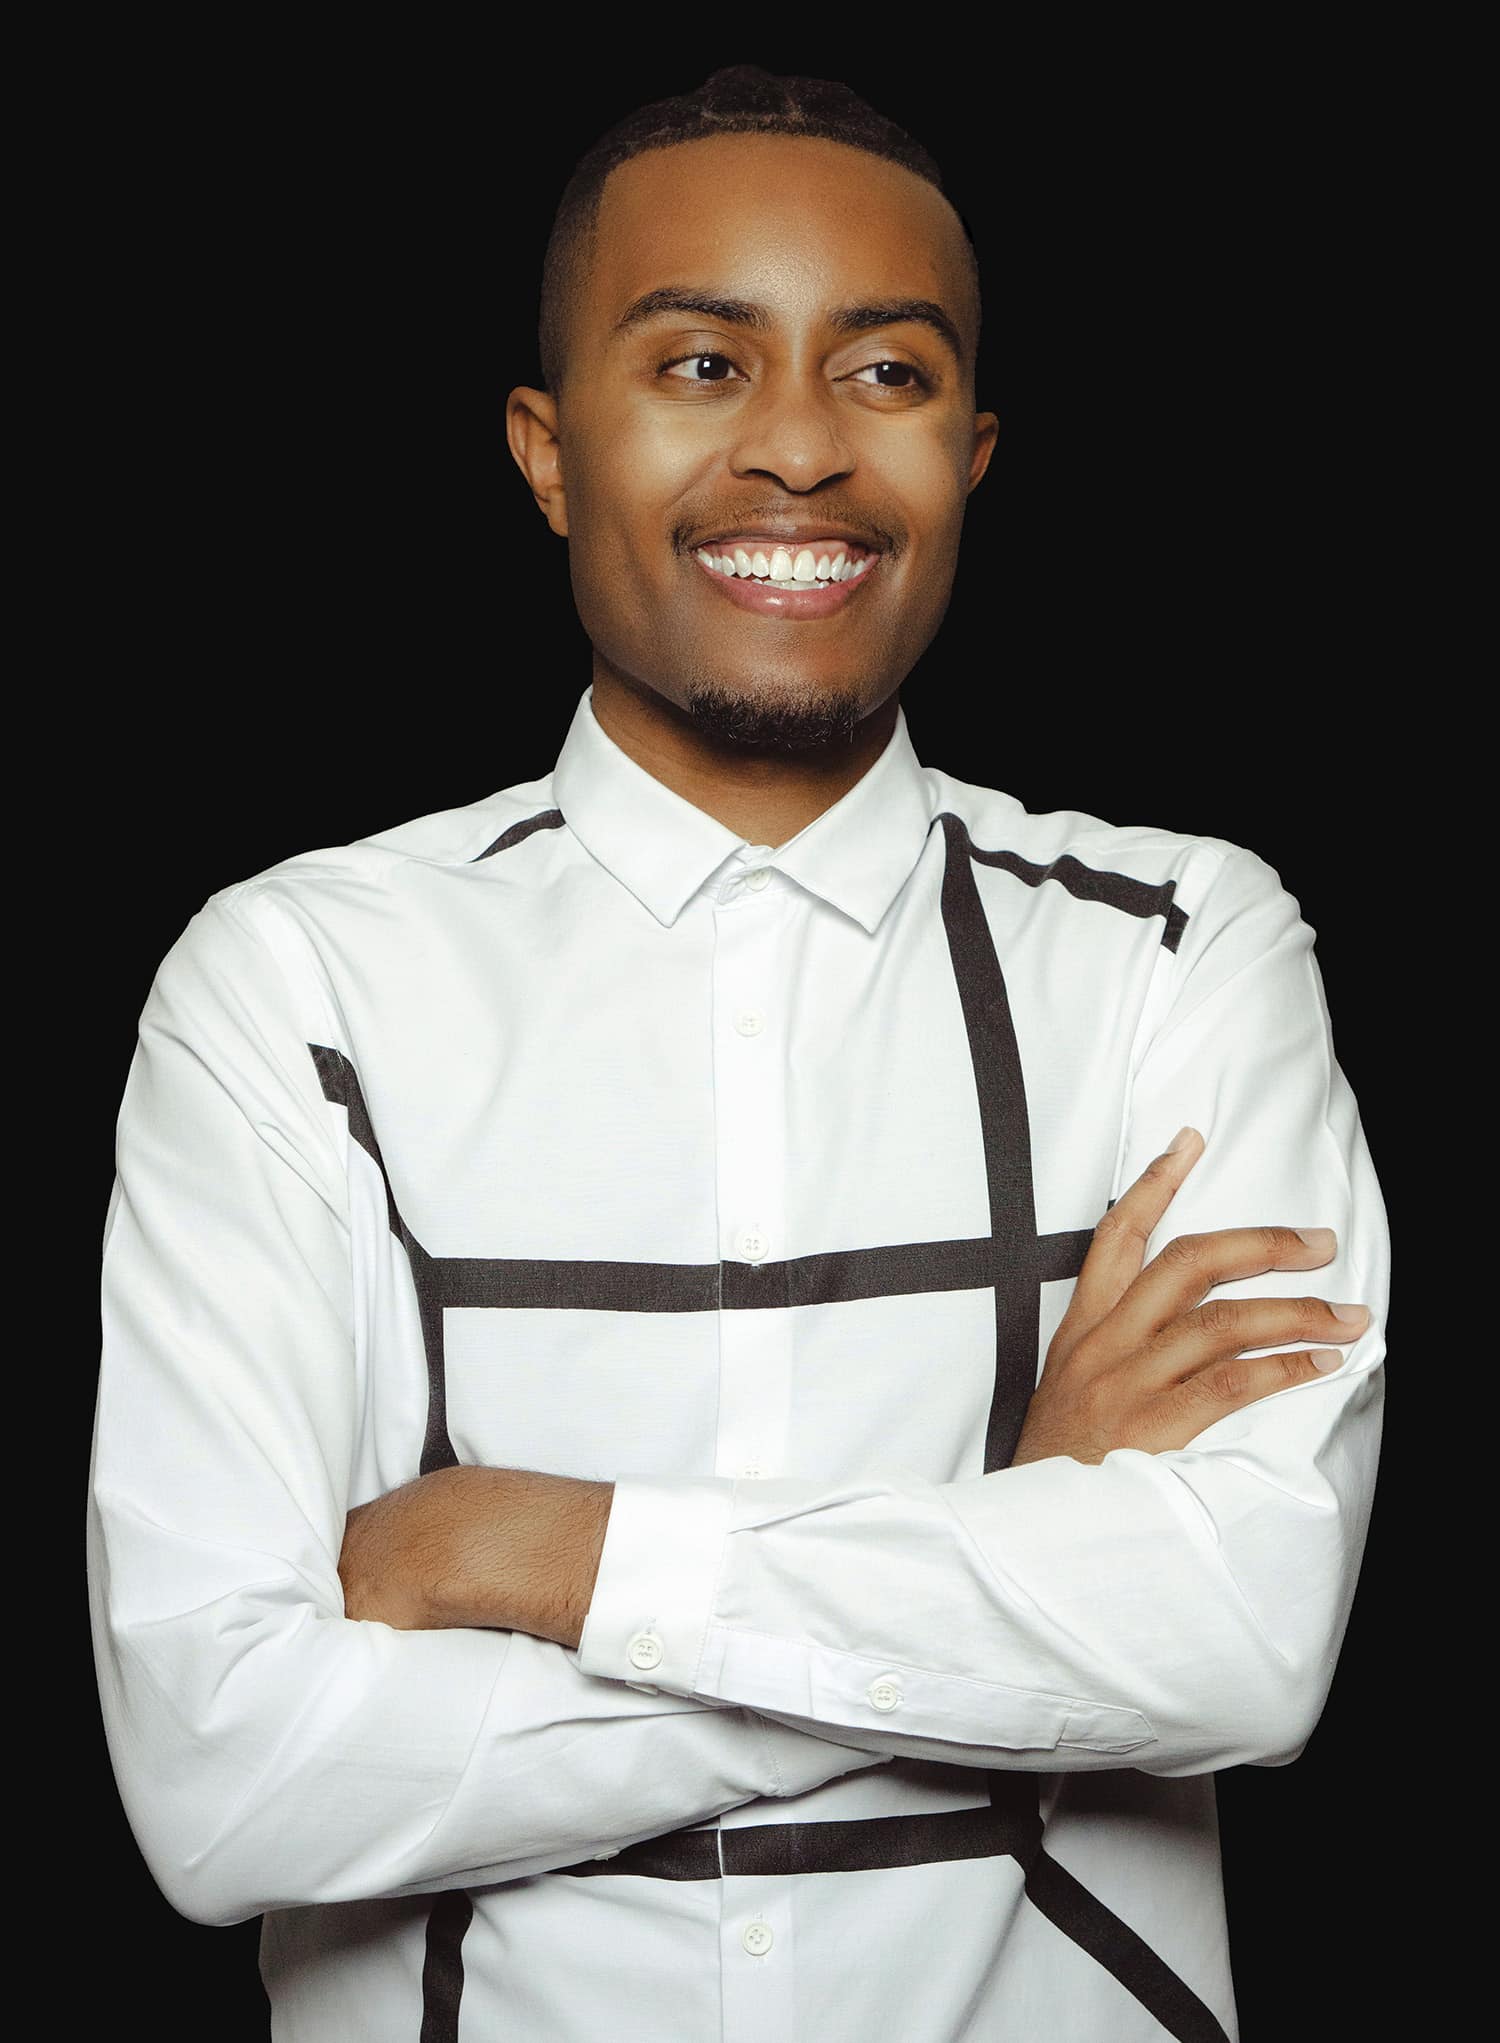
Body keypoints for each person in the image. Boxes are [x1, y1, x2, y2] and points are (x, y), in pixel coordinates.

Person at [87, 64, 1387, 2043]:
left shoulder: (1184, 946)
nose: (800, 452)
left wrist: (544, 1544)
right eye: (701, 363)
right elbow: (227, 1774)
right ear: (546, 448)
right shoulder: (297, 985)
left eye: (885, 376)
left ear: (974, 448)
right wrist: (1011, 1569)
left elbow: (1240, 1636)